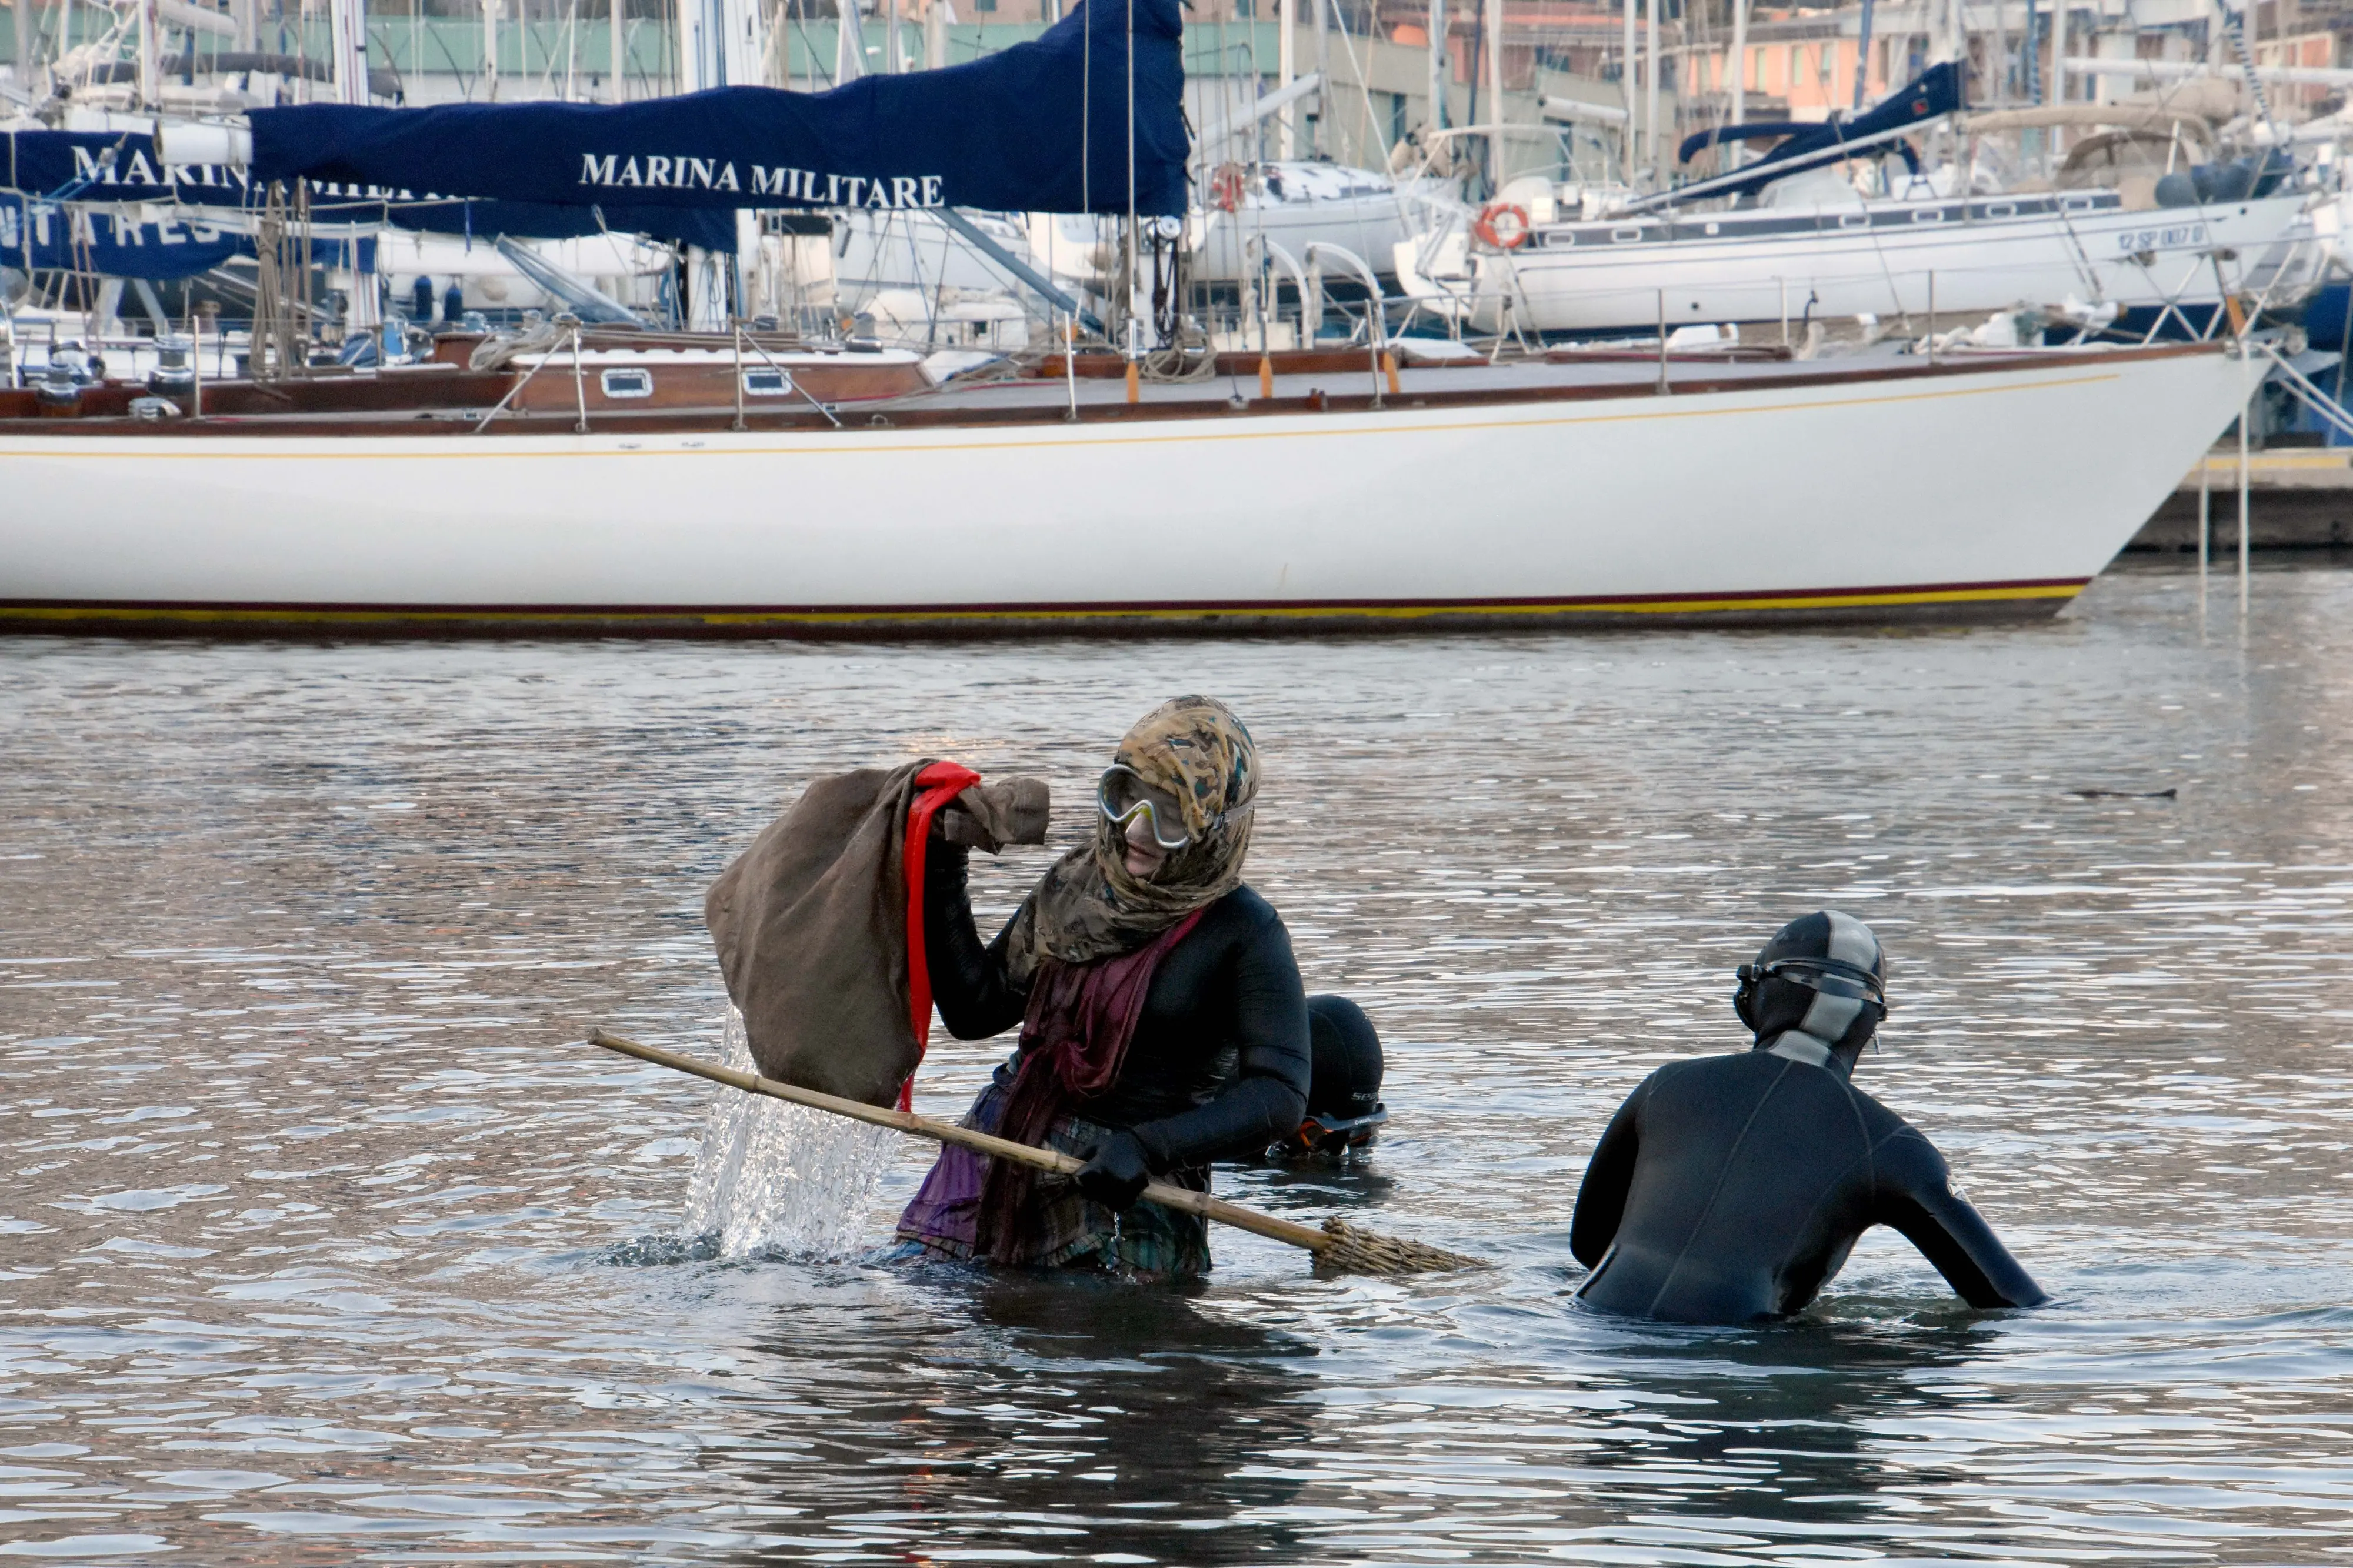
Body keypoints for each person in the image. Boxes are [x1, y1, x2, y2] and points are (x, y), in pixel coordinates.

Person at [893, 696, 1311, 1277]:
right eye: (1126, 795)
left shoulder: (1245, 932)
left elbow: (1279, 1097)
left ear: (1215, 824)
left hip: (1128, 1190)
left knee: (1100, 1353)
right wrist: (942, 863)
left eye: (1169, 813)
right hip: (1004, 1151)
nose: (1136, 828)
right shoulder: (1077, 884)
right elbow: (976, 1009)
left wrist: (1146, 1146)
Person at [1569, 911, 2047, 1323]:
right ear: (1869, 1025)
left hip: (1597, 1324)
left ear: (1752, 998)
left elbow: (1588, 1244)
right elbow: (2010, 1301)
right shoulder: (1893, 1146)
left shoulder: (1666, 1086)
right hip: (1737, 1354)